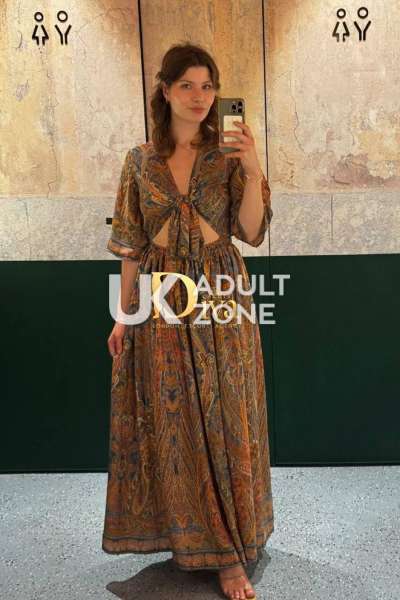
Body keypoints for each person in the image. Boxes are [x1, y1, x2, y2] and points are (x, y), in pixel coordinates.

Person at [102, 42, 274, 600]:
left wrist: (252, 167)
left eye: (208, 86)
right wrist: (122, 315)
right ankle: (196, 542)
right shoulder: (140, 161)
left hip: (221, 294)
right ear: (166, 90)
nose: (200, 97)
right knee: (174, 424)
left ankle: (230, 554)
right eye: (187, 86)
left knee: (225, 418)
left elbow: (252, 231)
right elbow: (130, 242)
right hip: (160, 301)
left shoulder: (226, 156)